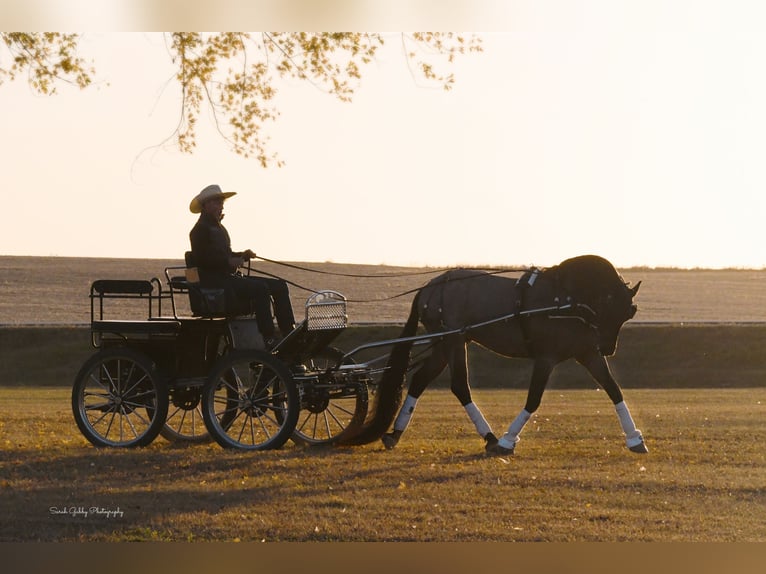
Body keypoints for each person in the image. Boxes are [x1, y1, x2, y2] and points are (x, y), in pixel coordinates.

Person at [188, 184, 295, 347]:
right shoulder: (199, 230)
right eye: (217, 202)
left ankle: (289, 332)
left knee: (280, 286)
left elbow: (225, 254)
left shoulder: (218, 228)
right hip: (215, 283)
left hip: (227, 279)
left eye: (221, 202)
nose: (221, 206)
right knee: (260, 289)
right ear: (206, 205)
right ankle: (269, 337)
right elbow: (203, 259)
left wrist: (242, 255)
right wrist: (228, 262)